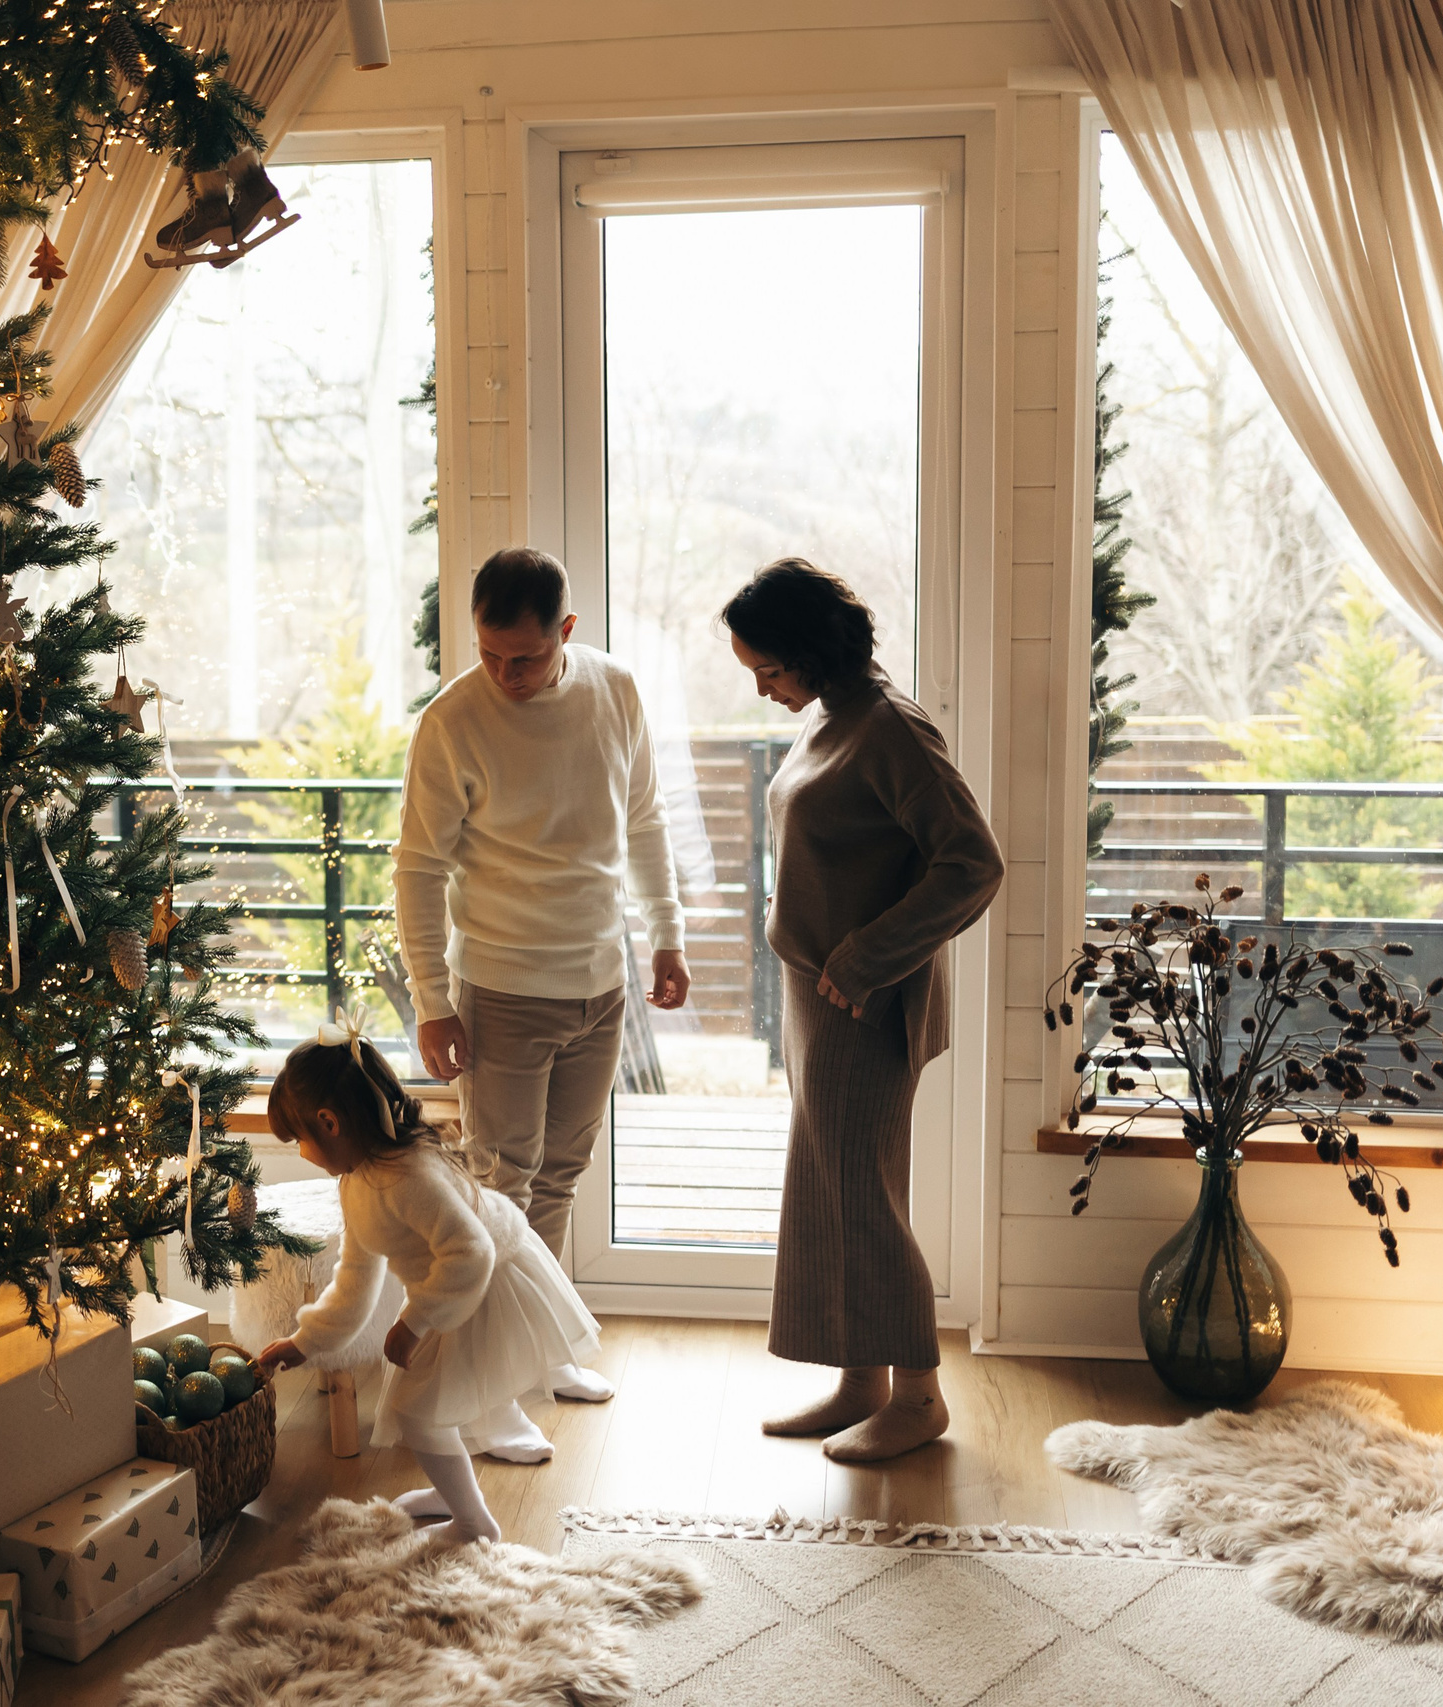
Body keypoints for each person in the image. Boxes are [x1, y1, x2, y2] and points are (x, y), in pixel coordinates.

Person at [393, 547, 690, 1420]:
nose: (504, 675)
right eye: (488, 654)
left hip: (602, 982)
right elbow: (416, 867)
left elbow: (644, 819)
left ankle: (542, 1348)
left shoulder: (616, 691)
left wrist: (666, 936)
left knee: (559, 1174)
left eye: (523, 657)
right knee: (500, 1183)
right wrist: (432, 1000)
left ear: (565, 631)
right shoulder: (452, 721)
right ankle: (483, 1386)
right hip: (502, 988)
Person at [724, 558, 1003, 1463]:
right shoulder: (835, 717)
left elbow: (973, 863)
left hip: (864, 1001)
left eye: (768, 670)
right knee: (833, 1190)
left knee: (865, 1200)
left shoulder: (891, 728)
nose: (765, 690)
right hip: (824, 999)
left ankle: (919, 1397)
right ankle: (860, 1379)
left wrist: (866, 956)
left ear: (807, 650)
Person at [256, 1025, 600, 1548]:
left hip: (487, 1284)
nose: (302, 1152)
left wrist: (414, 1322)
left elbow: (472, 1254)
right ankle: (453, 1495)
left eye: (300, 1140)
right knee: (432, 1408)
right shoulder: (359, 1179)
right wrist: (305, 1343)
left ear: (330, 1123)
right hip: (452, 1287)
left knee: (419, 1412)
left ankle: (473, 1524)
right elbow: (354, 1277)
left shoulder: (406, 1177)